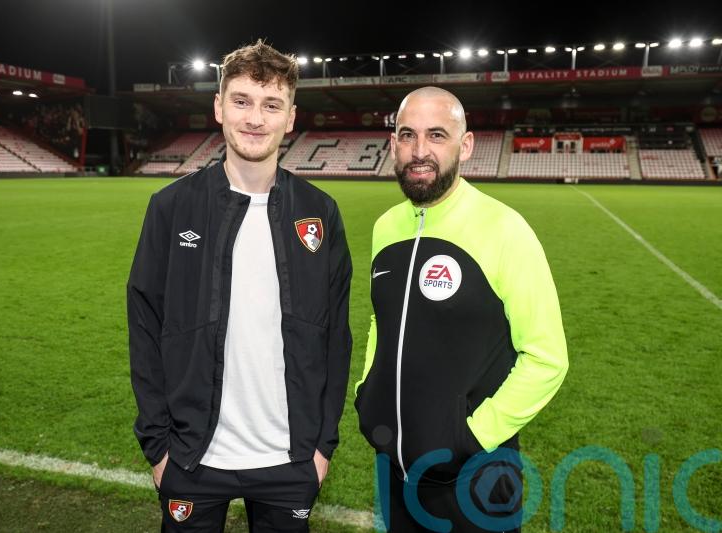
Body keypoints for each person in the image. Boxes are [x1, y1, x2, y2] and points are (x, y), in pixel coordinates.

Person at [128, 40, 353, 532]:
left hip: (290, 460)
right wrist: (159, 447)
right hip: (191, 457)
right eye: (242, 101)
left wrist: (321, 448)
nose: (256, 118)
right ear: (219, 107)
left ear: (291, 117)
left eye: (272, 105)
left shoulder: (320, 213)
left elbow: (336, 338)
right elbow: (144, 327)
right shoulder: (170, 208)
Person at [355, 87, 568, 532]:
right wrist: (367, 393)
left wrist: (472, 437)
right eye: (407, 135)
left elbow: (546, 357)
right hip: (394, 466)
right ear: (393, 142)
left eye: (436, 135)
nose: (419, 151)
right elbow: (382, 320)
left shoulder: (505, 229)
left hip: (475, 477)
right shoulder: (385, 228)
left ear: (465, 145)